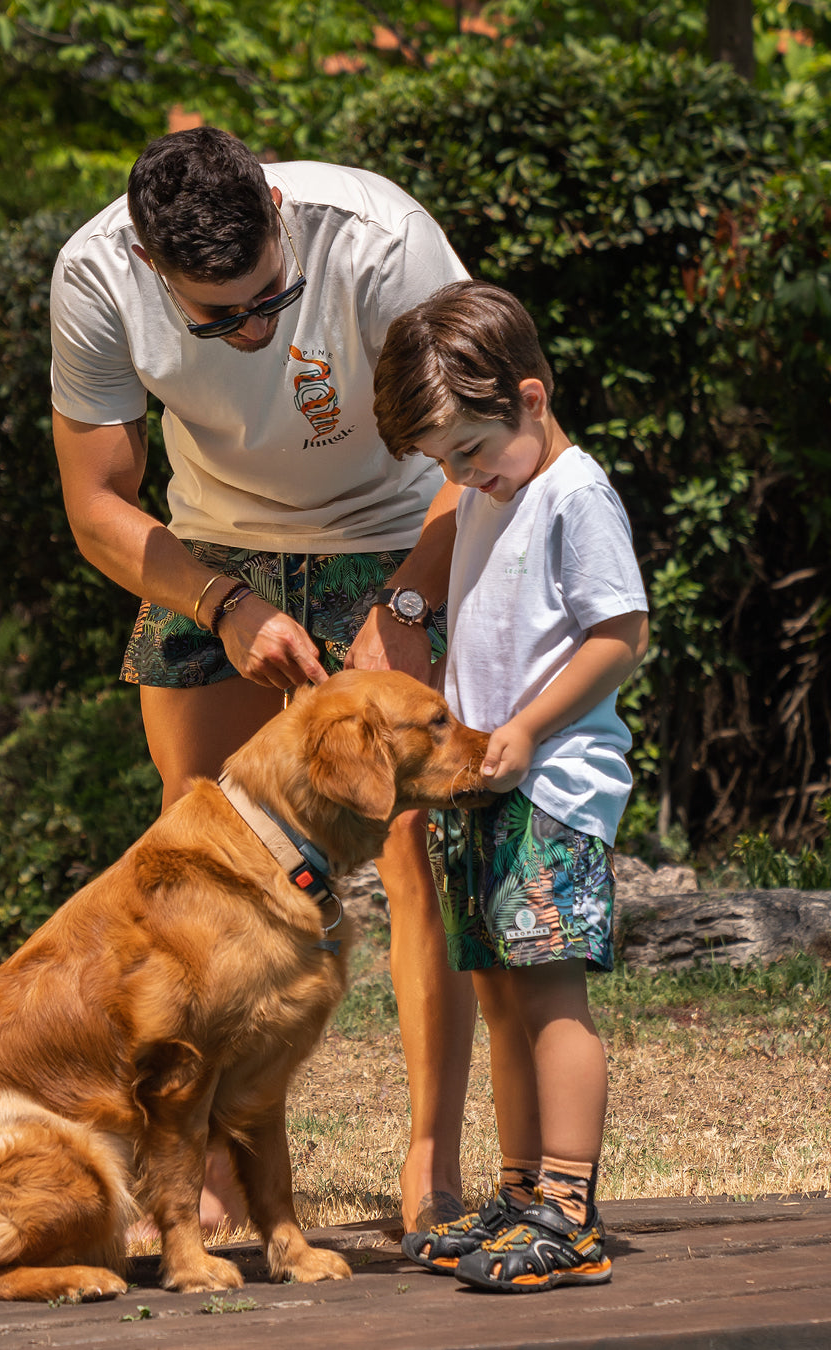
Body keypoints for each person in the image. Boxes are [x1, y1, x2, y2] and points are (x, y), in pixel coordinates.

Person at [50, 126, 477, 1232]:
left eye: (267, 304)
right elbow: (98, 504)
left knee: (418, 853)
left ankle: (433, 1162)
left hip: (395, 533)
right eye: (216, 318)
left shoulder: (383, 243)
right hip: (213, 552)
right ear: (153, 268)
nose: (248, 331)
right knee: (194, 869)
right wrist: (224, 605)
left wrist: (411, 604)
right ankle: (202, 1175)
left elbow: (479, 455)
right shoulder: (96, 274)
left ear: (280, 221)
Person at [373, 279, 648, 1291]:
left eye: (470, 454)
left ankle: (569, 1209)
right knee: (496, 990)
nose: (463, 478)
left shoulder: (575, 492)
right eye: (446, 465)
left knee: (550, 994)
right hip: (482, 790)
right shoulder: (505, 491)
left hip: (553, 789)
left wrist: (530, 726)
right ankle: (523, 1190)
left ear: (530, 398)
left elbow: (622, 633)